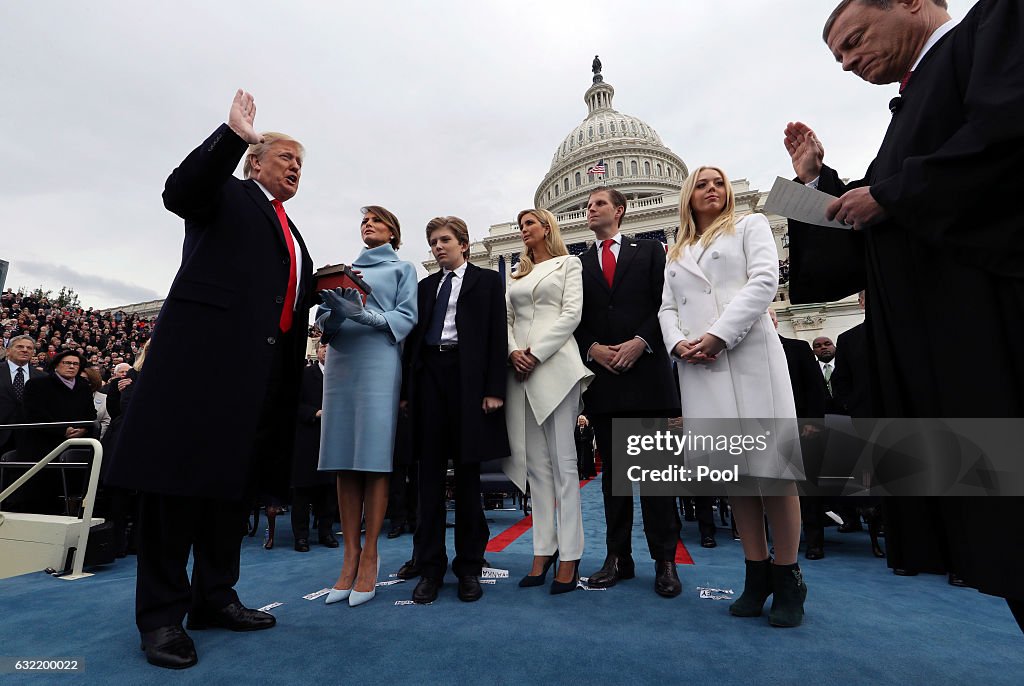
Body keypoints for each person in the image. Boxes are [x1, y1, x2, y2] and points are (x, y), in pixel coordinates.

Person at [784, 0, 1024, 632]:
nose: (847, 62)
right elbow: (877, 229)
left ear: (915, 3)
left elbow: (1005, 139)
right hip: (944, 355)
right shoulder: (911, 105)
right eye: (837, 56)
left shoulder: (995, 26)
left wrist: (889, 194)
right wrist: (818, 184)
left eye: (854, 40)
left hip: (995, 334)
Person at [105, 90, 316, 669]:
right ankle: (162, 619)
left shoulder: (292, 233)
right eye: (285, 158)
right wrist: (232, 136)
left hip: (258, 383)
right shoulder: (227, 192)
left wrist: (321, 287)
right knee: (175, 494)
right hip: (199, 374)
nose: (296, 168)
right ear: (255, 161)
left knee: (230, 493)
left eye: (302, 163)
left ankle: (215, 596)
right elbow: (180, 191)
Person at [659, 166, 807, 627]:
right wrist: (676, 343)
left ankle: (788, 577)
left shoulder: (750, 225)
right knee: (736, 476)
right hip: (700, 368)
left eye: (717, 182)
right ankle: (756, 571)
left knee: (773, 474)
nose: (712, 189)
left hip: (749, 358)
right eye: (702, 183)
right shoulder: (677, 251)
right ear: (688, 195)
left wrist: (719, 334)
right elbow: (666, 308)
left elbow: (764, 282)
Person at [575, 187, 682, 598]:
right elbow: (575, 316)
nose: (590, 209)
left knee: (656, 478)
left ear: (619, 211)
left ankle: (665, 561)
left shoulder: (651, 252)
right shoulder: (579, 262)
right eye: (587, 205)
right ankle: (617, 557)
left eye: (598, 203)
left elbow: (666, 304)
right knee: (614, 481)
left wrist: (642, 341)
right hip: (605, 378)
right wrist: (592, 348)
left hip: (647, 375)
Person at [402, 216, 509, 604]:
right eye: (432, 242)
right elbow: (413, 340)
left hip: (468, 380)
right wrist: (406, 391)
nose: (437, 247)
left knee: (467, 478)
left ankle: (469, 567)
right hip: (429, 377)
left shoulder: (487, 281)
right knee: (428, 478)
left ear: (463, 244)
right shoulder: (426, 286)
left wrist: (495, 389)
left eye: (444, 240)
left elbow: (498, 335)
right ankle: (429, 567)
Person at [316, 205, 417, 607]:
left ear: (393, 231)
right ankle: (349, 557)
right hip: (341, 363)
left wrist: (366, 315)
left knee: (373, 459)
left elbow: (406, 317)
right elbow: (326, 323)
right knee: (343, 458)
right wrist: (335, 316)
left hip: (379, 362)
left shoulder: (403, 269)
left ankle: (370, 555)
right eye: (364, 220)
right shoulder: (340, 271)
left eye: (377, 220)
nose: (368, 225)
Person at [504, 208, 593, 594]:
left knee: (564, 463)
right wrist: (513, 352)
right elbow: (506, 319)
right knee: (535, 466)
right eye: (520, 225)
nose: (524, 230)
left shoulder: (569, 264)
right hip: (519, 371)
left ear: (546, 229)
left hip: (555, 365)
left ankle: (571, 553)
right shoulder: (516, 274)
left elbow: (572, 314)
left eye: (530, 224)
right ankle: (543, 549)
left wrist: (536, 352)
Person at [290, 341, 338, 552]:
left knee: (328, 491)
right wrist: (314, 413)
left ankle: (326, 533)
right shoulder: (305, 375)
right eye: (322, 348)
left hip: (333, 439)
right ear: (317, 351)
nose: (326, 351)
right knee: (303, 492)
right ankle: (301, 537)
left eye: (330, 348)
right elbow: (293, 404)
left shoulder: (342, 375)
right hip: (308, 438)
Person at [1, 335, 46, 457]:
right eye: (20, 346)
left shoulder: (43, 378)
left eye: (29, 348)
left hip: (30, 438)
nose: (25, 350)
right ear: (8, 350)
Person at [574, 414, 596, 479]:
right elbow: (575, 436)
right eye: (580, 420)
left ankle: (586, 475)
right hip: (579, 447)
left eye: (582, 420)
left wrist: (584, 439)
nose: (581, 421)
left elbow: (591, 436)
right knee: (579, 461)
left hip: (587, 448)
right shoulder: (576, 429)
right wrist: (579, 439)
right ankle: (579, 475)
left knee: (587, 461)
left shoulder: (588, 428)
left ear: (585, 420)